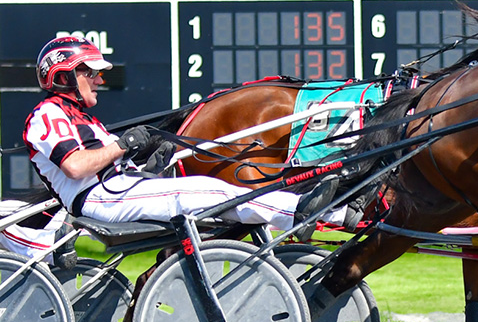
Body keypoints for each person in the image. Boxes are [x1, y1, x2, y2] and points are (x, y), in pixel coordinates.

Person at [23, 36, 353, 240]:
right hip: (97, 198)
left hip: (116, 189)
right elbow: (77, 167)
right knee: (215, 190)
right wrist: (123, 144)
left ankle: (318, 213)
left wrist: (148, 156)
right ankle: (310, 212)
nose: (99, 78)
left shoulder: (83, 119)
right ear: (63, 74)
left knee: (219, 195)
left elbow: (110, 160)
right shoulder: (47, 115)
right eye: (90, 72)